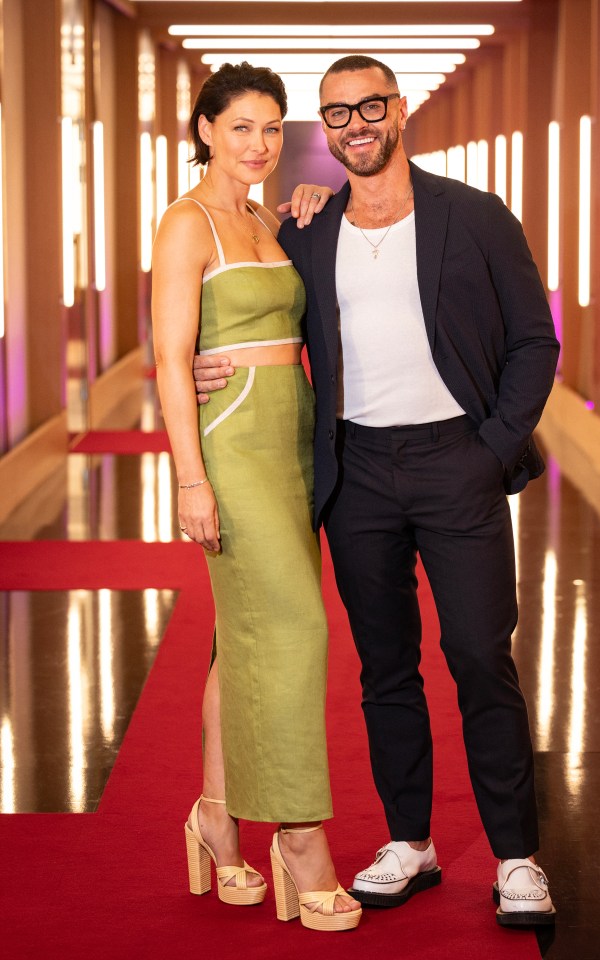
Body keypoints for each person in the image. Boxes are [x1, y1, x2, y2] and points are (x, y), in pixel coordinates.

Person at [194, 55, 560, 927]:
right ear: (325, 132)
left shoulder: (473, 216)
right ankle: (411, 842)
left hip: (456, 463)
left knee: (478, 655)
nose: (354, 126)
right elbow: (249, 310)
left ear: (399, 110)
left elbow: (534, 343)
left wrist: (490, 449)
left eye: (369, 107)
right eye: (335, 115)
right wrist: (210, 362)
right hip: (355, 473)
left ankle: (517, 858)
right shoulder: (307, 230)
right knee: (384, 667)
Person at [151, 61, 361, 932]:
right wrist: (190, 477)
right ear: (204, 129)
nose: (259, 145)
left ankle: (213, 817)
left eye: (273, 128)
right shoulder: (186, 223)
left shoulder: (272, 216)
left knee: (239, 641)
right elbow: (170, 358)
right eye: (240, 126)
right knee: (295, 627)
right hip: (232, 446)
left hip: (293, 439)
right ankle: (300, 836)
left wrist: (313, 204)